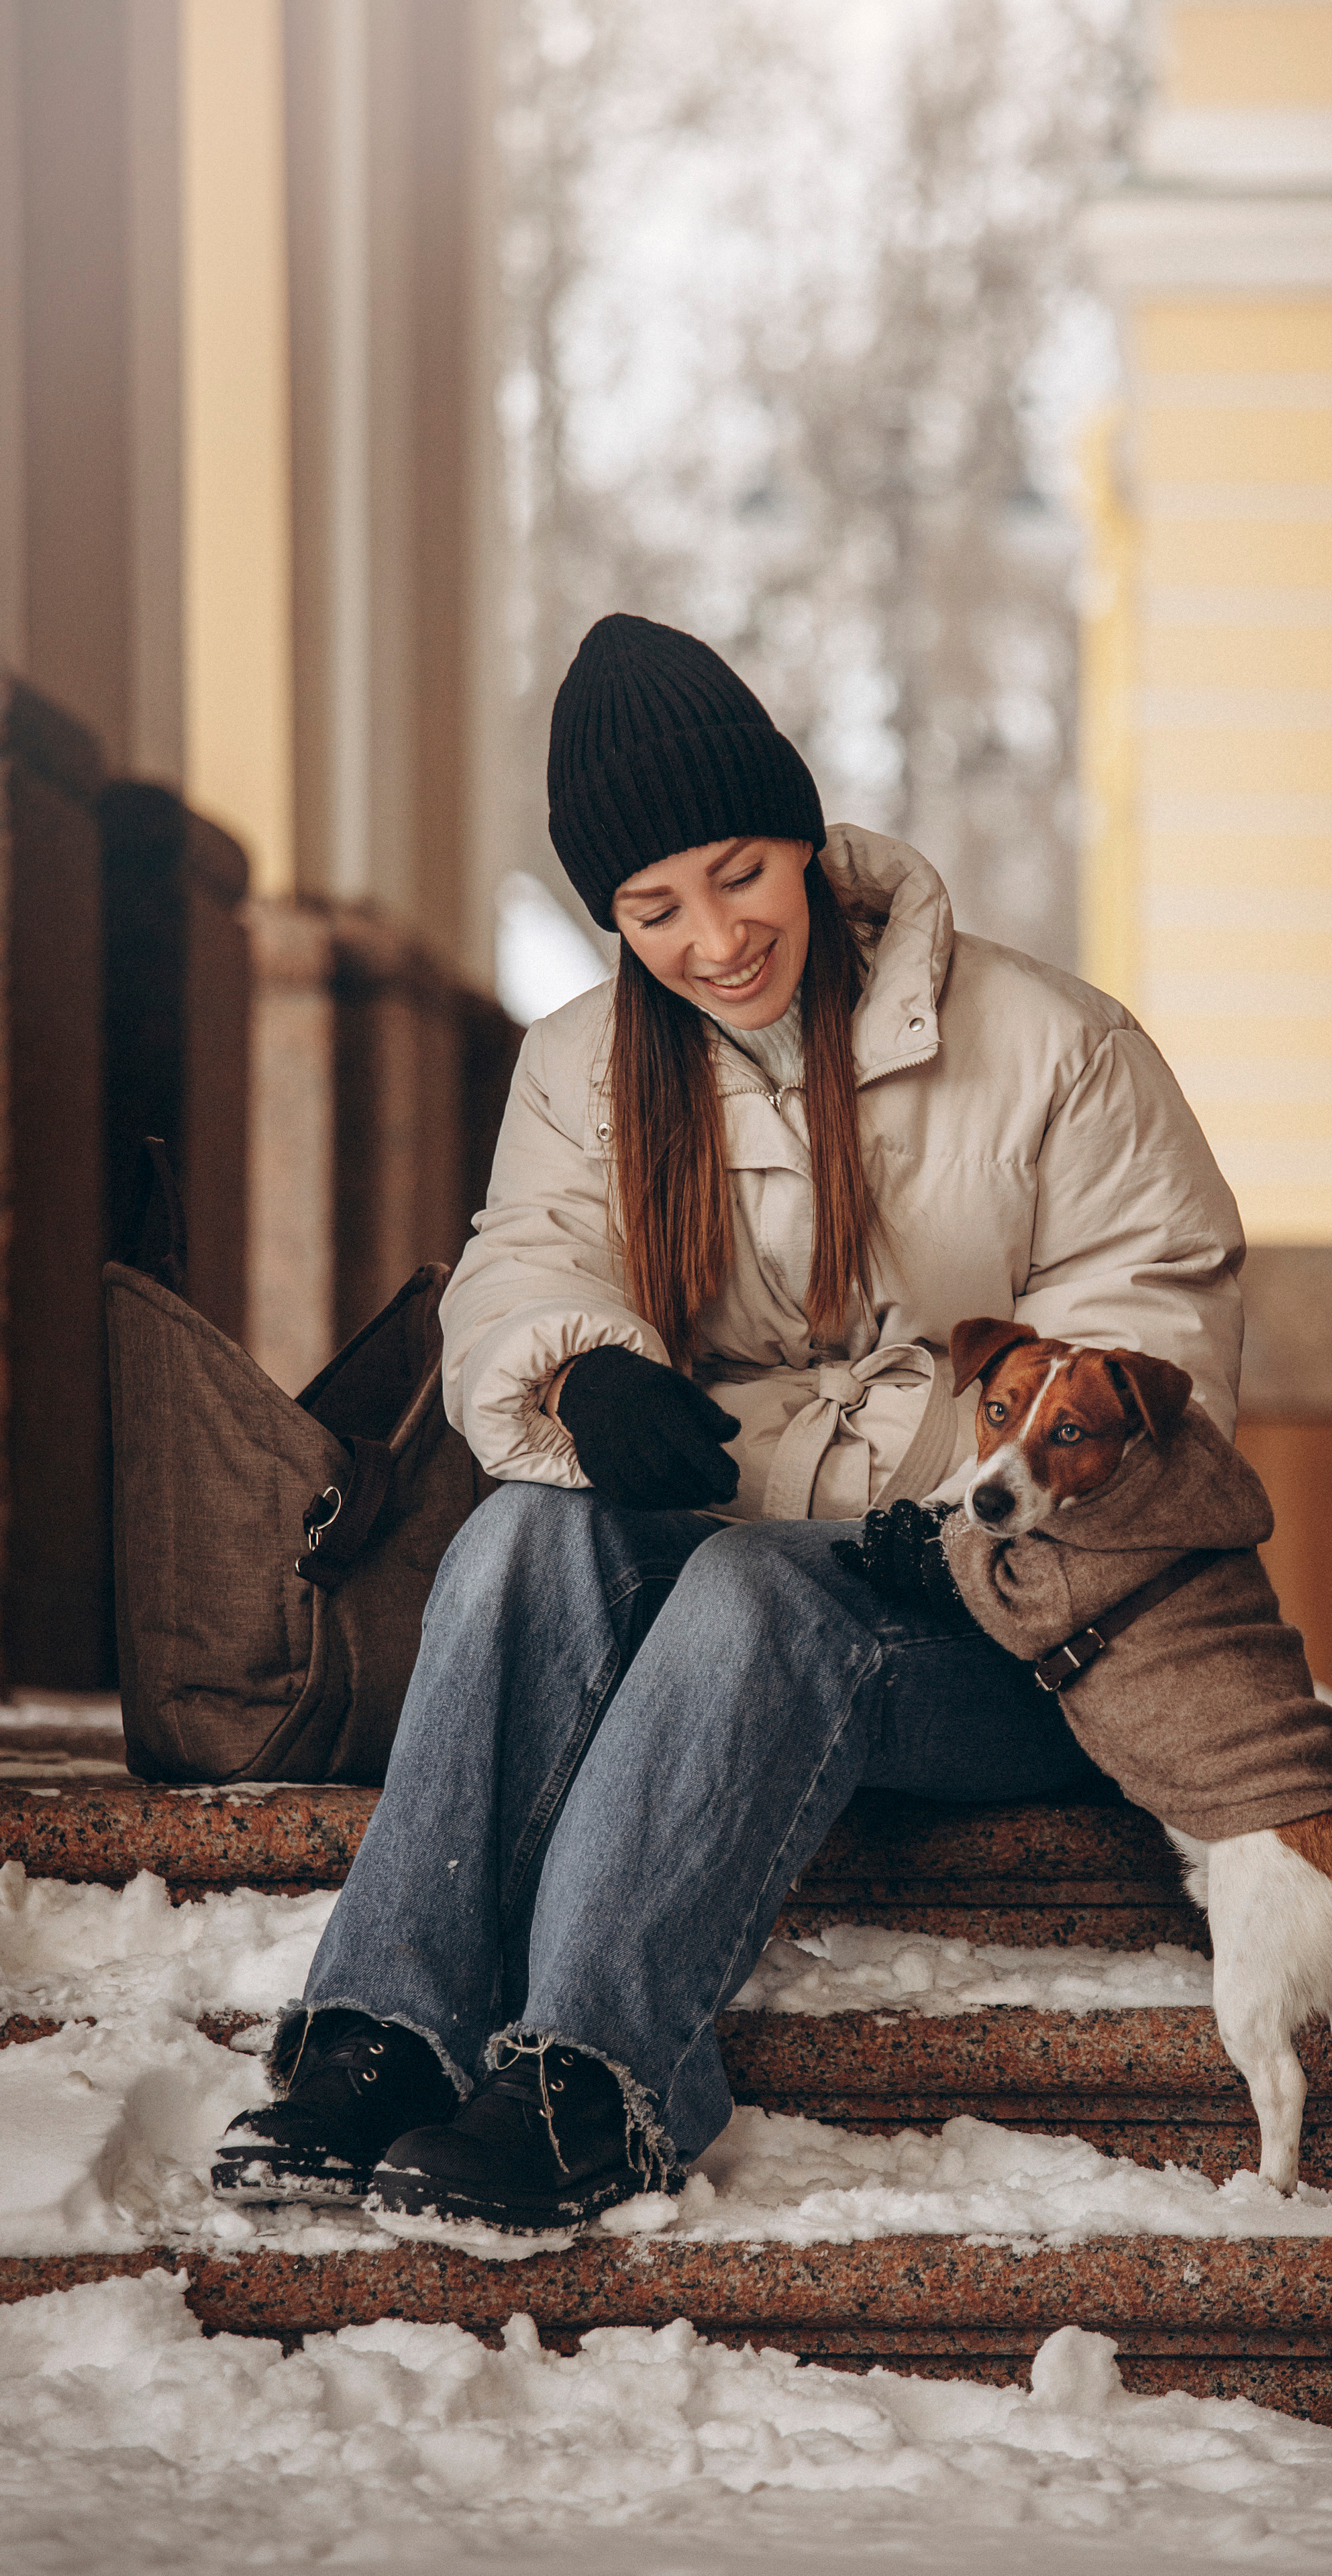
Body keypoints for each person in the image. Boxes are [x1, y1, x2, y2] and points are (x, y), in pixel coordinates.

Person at [213, 612, 1246, 2239]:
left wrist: (965, 1512)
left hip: (1025, 1634)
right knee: (526, 1534)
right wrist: (581, 1370)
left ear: (804, 843)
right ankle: (385, 2038)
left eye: (737, 874)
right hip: (727, 1602)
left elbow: (1156, 1339)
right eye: (652, 910)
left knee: (757, 1590)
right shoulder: (583, 1069)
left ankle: (591, 2084)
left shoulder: (1055, 1047)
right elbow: (528, 1265)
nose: (712, 938)